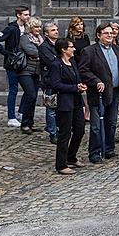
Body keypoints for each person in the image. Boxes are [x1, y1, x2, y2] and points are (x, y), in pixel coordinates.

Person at [79, 23, 119, 163]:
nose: (110, 36)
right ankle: (94, 152)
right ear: (98, 35)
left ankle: (108, 148)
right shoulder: (89, 51)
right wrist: (95, 81)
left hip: (115, 91)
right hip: (98, 93)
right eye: (106, 33)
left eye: (111, 33)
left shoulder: (118, 50)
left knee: (111, 122)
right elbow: (83, 70)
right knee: (96, 125)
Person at [48, 38, 88, 175]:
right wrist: (74, 87)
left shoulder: (72, 62)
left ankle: (71, 156)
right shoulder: (56, 65)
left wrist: (80, 86)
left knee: (80, 129)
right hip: (64, 102)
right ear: (64, 49)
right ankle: (61, 164)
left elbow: (77, 79)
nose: (74, 49)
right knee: (64, 133)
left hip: (76, 100)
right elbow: (56, 85)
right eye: (71, 47)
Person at [0, 6, 31, 127]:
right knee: (13, 89)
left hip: (24, 63)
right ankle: (11, 117)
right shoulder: (11, 29)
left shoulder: (27, 28)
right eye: (25, 15)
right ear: (18, 15)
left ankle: (21, 112)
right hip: (13, 64)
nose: (27, 17)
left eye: (28, 14)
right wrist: (7, 53)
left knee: (29, 90)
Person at [16, 18, 44, 135]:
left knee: (33, 97)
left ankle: (30, 123)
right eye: (36, 27)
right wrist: (40, 54)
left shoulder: (40, 39)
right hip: (25, 71)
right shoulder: (24, 38)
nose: (39, 29)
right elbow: (34, 52)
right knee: (30, 95)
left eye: (39, 27)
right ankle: (25, 124)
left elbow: (43, 52)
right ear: (30, 28)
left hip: (36, 71)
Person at [39, 22, 60, 143]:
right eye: (53, 30)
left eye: (56, 29)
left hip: (61, 79)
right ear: (46, 34)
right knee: (51, 107)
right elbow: (52, 62)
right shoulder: (44, 47)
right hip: (49, 80)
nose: (56, 31)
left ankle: (59, 128)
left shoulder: (59, 44)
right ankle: (53, 133)